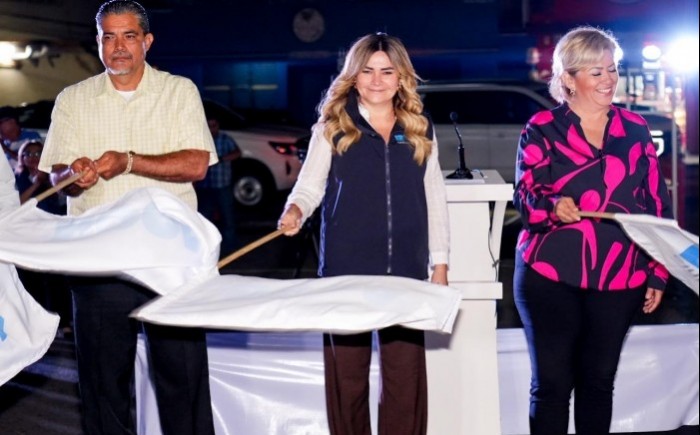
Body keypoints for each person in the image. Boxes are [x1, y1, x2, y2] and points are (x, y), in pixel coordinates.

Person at [37, 1, 217, 434]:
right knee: (103, 385)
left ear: (147, 41)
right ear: (98, 42)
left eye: (129, 36)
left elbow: (196, 164)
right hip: (98, 260)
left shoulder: (178, 91)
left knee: (183, 379)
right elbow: (56, 175)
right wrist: (72, 175)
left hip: (170, 258)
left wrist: (129, 161)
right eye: (109, 37)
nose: (118, 47)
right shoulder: (73, 99)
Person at [277, 32, 449, 435]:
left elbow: (434, 196)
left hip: (406, 270)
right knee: (348, 380)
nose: (377, 80)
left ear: (401, 77)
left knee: (405, 382)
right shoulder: (333, 126)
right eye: (368, 71)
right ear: (354, 76)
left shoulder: (420, 128)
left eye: (387, 71)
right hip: (347, 268)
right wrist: (294, 210)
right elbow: (309, 187)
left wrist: (440, 263)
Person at [512, 26, 673, 435]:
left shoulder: (636, 129)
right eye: (596, 72)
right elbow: (526, 194)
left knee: (598, 383)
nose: (608, 79)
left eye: (612, 69)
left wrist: (658, 271)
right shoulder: (542, 127)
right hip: (550, 273)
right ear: (568, 78)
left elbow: (656, 205)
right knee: (552, 386)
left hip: (621, 275)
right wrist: (554, 205)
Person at [14, 139, 72, 337]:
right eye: (28, 154)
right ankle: (35, 325)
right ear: (22, 158)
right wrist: (36, 185)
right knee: (31, 283)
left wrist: (46, 181)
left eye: (38, 154)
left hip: (51, 236)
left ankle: (63, 321)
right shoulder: (17, 179)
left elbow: (64, 202)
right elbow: (18, 205)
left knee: (56, 281)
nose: (33, 158)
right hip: (26, 239)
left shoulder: (54, 178)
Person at [195, 113, 241, 256]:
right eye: (209, 126)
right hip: (205, 187)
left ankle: (230, 249)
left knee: (228, 218)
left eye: (214, 125)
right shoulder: (201, 140)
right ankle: (206, 249)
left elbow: (237, 153)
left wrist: (221, 159)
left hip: (222, 186)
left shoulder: (225, 139)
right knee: (204, 219)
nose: (211, 129)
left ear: (218, 126)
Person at [0, 106, 42, 170]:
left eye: (0, 122)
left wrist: (6, 149)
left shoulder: (31, 136)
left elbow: (34, 162)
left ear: (12, 121)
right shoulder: (4, 142)